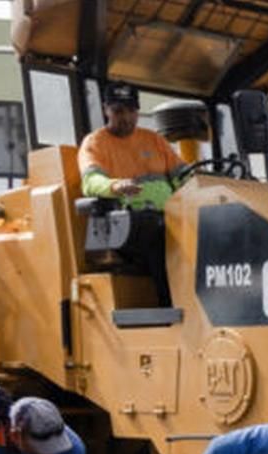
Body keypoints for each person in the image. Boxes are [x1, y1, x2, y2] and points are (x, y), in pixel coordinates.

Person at [77, 81, 184, 304]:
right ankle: (172, 303)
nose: (125, 117)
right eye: (118, 111)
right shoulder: (95, 143)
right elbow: (91, 181)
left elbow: (182, 174)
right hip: (127, 224)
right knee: (161, 235)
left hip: (169, 216)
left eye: (131, 111)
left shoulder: (154, 140)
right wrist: (115, 186)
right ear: (106, 109)